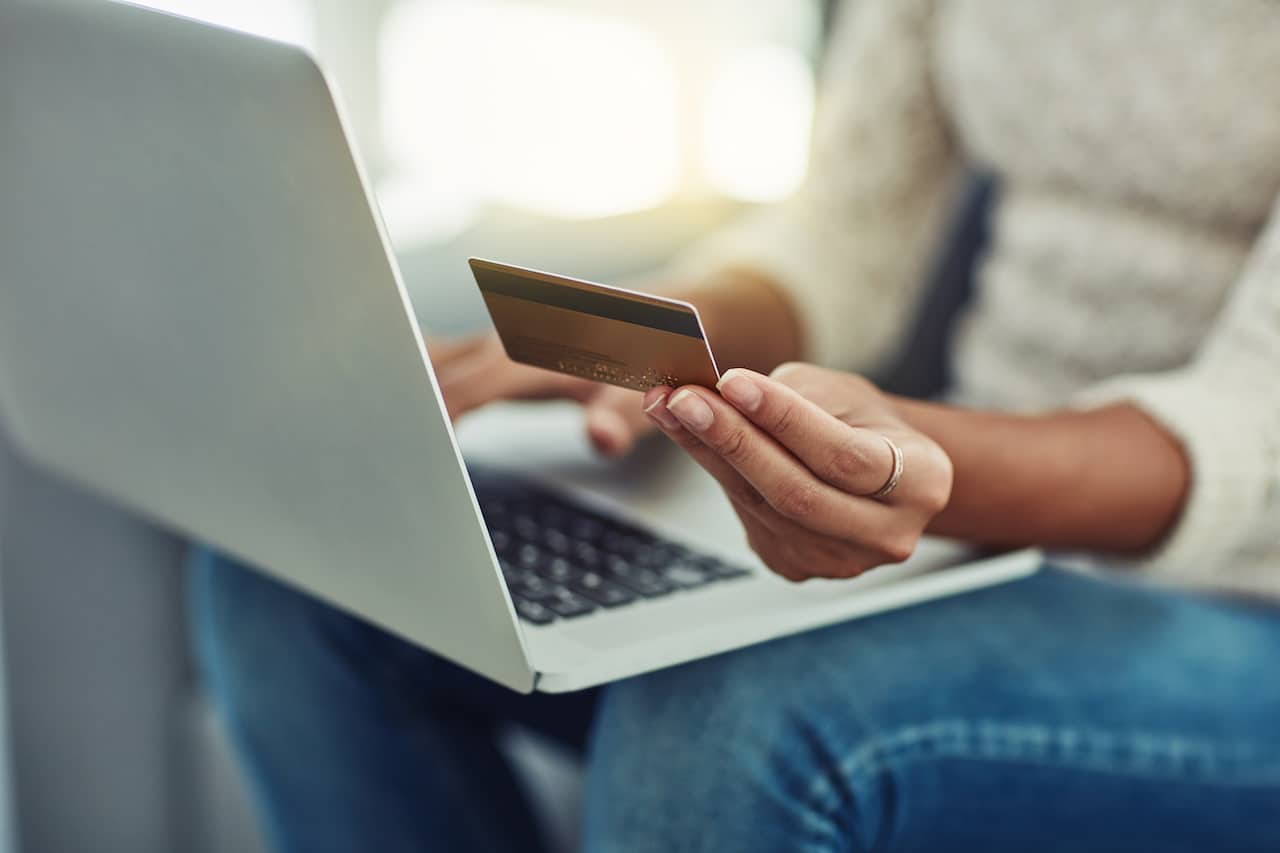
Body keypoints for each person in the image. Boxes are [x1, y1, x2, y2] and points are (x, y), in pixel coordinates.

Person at [191, 1, 1280, 850]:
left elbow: (1252, 433)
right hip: (973, 533)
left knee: (733, 709)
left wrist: (905, 458)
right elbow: (844, 239)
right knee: (305, 579)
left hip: (1234, 605)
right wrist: (630, 337)